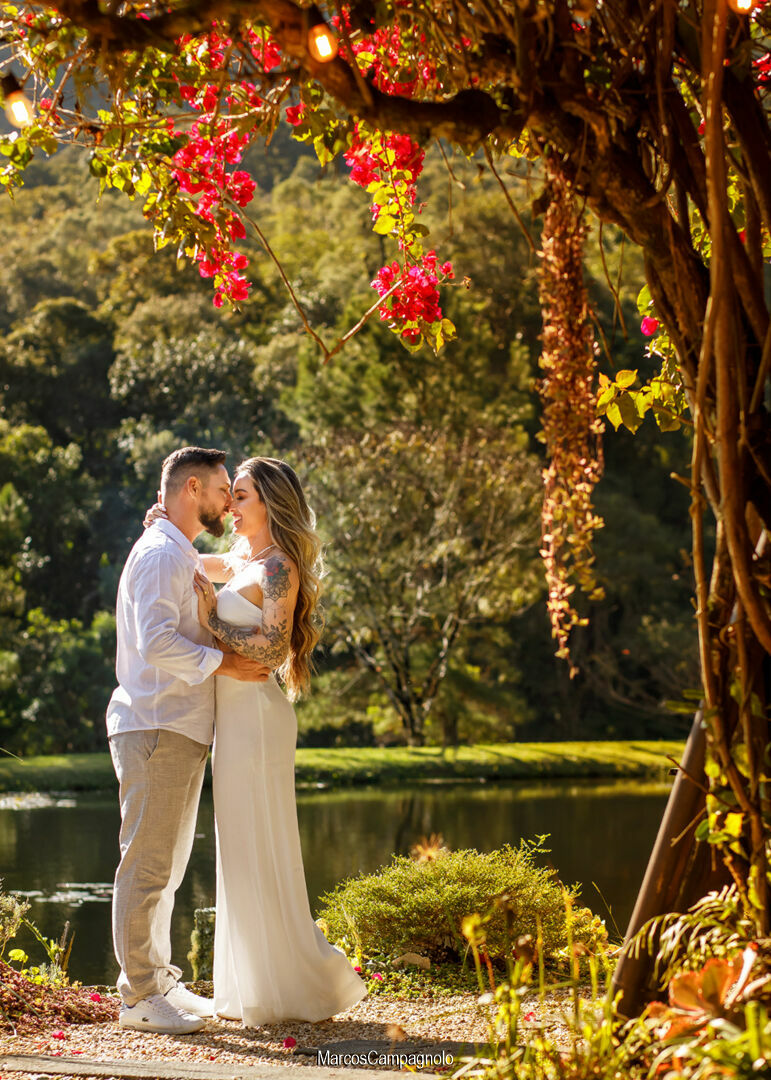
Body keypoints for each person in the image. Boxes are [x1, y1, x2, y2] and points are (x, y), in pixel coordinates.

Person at [190, 456, 367, 1025]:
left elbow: (271, 649)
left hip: (260, 720)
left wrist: (211, 621)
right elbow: (189, 560)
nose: (229, 507)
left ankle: (294, 984)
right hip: (234, 721)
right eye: (231, 496)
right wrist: (158, 525)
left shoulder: (279, 567)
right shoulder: (242, 557)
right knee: (240, 850)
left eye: (239, 496)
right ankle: (252, 989)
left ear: (268, 501)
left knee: (262, 845)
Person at [107, 446, 271, 1036]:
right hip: (155, 723)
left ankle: (158, 980)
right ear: (193, 487)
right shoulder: (160, 555)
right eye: (224, 488)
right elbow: (154, 643)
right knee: (147, 864)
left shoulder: (176, 550)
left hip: (175, 725)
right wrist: (226, 664)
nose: (229, 499)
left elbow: (225, 570)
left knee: (168, 866)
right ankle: (139, 996)